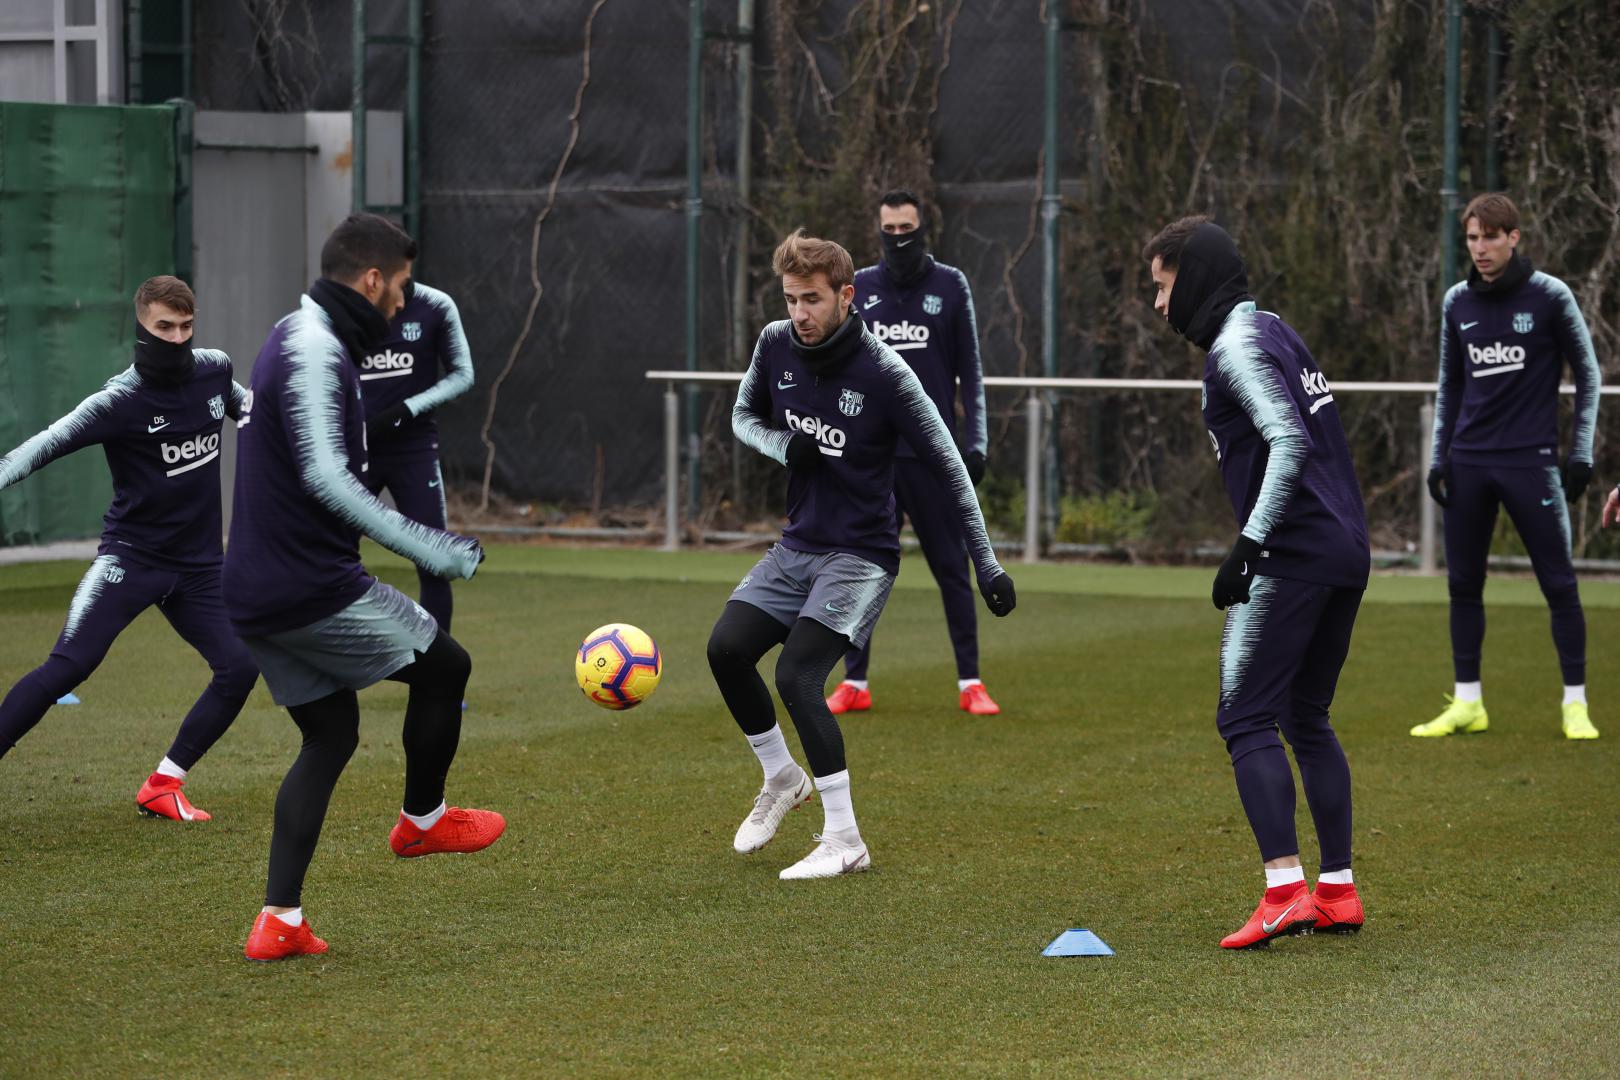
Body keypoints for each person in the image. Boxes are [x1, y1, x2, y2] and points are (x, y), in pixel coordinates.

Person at [225, 214, 494, 961]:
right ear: (372, 279)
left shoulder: (301, 334)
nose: (405, 304)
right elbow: (326, 479)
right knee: (448, 667)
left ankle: (279, 918)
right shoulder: (313, 350)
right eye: (400, 287)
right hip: (307, 587)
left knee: (331, 734)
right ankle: (424, 819)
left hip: (255, 587)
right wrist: (431, 547)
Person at [707, 230, 1015, 881]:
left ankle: (845, 840)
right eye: (791, 299)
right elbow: (741, 415)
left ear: (847, 295)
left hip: (862, 556)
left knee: (796, 677)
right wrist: (782, 445)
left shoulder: (884, 372)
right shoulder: (774, 344)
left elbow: (951, 469)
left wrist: (986, 563)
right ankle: (782, 779)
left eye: (812, 299)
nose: (800, 314)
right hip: (798, 546)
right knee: (726, 649)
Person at [1144, 217, 1370, 948]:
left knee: (1245, 718)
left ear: (1196, 277)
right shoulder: (1274, 329)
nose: (1158, 303)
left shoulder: (1233, 349)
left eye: (1164, 285)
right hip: (1344, 549)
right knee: (1307, 717)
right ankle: (1336, 889)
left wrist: (1248, 544)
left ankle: (1284, 891)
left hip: (1294, 554)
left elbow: (1289, 440)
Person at [0, 276, 258, 821]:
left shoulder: (215, 369)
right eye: (164, 326)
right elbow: (40, 447)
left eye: (186, 326)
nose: (177, 337)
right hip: (132, 560)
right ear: (140, 325)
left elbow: (257, 416)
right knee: (68, 667)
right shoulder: (120, 399)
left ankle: (165, 783)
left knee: (239, 665)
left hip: (200, 569)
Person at [1417, 192, 1601, 741]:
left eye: (1491, 237)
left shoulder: (1549, 296)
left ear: (1514, 237)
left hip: (1531, 464)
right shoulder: (1456, 302)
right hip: (1469, 462)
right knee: (1463, 586)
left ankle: (1575, 705)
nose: (1480, 248)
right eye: (1472, 238)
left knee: (1559, 585)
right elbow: (1449, 385)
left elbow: (1588, 376)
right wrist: (1438, 459)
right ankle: (1468, 702)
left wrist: (1581, 453)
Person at [824, 190, 1000, 717]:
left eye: (907, 228)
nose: (899, 238)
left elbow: (971, 370)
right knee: (861, 569)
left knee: (952, 567)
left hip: (933, 456)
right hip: (874, 460)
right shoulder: (864, 289)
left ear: (923, 228)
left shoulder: (950, 285)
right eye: (889, 229)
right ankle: (855, 681)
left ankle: (970, 682)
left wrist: (976, 443)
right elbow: (840, 369)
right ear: (878, 230)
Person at [360, 279, 474, 633]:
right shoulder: (346, 307)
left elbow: (463, 374)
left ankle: (438, 687)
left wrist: (407, 409)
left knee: (434, 561)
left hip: (414, 451)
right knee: (329, 559)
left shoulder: (437, 304)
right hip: (354, 451)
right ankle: (335, 681)